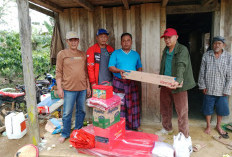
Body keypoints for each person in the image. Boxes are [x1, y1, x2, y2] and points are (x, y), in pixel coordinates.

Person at [157, 28, 195, 138]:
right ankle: (167, 128)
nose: (167, 40)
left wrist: (178, 80)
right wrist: (161, 77)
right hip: (166, 82)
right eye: (165, 38)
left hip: (178, 84)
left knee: (182, 111)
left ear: (176, 37)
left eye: (169, 37)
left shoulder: (182, 49)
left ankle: (183, 135)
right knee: (165, 107)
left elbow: (181, 65)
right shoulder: (166, 50)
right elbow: (165, 65)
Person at [56, 31, 91, 143]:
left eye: (75, 39)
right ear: (67, 41)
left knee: (81, 111)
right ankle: (65, 133)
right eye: (71, 40)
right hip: (69, 89)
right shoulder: (62, 54)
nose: (73, 42)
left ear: (78, 41)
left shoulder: (82, 54)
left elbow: (86, 72)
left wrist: (88, 87)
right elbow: (58, 72)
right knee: (67, 112)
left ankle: (78, 130)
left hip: (82, 88)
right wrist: (59, 88)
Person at [198, 36, 232, 138]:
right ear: (212, 45)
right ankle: (208, 126)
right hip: (209, 88)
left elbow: (230, 75)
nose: (216, 45)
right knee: (208, 108)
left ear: (223, 45)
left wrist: (227, 88)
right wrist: (202, 85)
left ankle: (218, 126)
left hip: (222, 90)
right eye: (215, 43)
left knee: (221, 109)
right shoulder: (206, 55)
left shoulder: (228, 57)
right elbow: (202, 72)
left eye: (219, 43)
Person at [108, 33, 142, 131]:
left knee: (133, 104)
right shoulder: (116, 53)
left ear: (131, 42)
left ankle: (135, 125)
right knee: (121, 105)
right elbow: (111, 67)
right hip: (119, 83)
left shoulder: (135, 54)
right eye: (124, 40)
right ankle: (121, 127)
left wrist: (139, 74)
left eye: (128, 40)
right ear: (121, 42)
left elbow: (139, 66)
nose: (126, 43)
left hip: (132, 83)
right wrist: (119, 71)